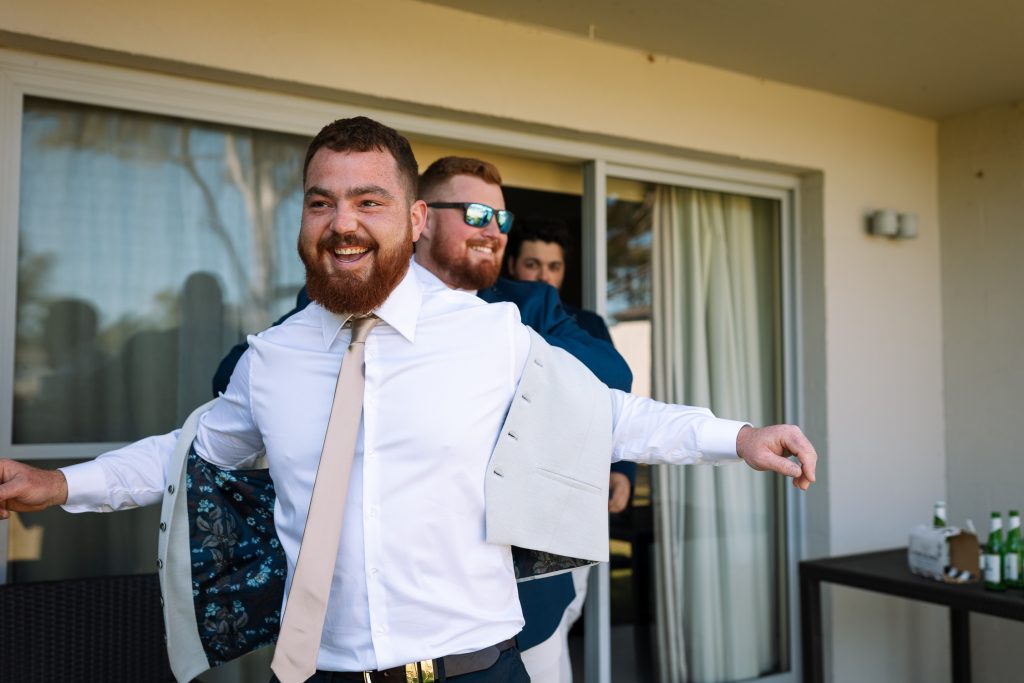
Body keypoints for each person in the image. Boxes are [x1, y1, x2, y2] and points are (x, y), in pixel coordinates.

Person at [0, 116, 817, 683]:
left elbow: (611, 413)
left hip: (476, 667)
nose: (342, 222)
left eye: (369, 201)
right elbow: (189, 451)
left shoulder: (489, 335)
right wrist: (60, 484)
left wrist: (736, 434)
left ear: (415, 219)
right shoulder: (273, 357)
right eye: (323, 201)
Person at [505, 216, 632, 681]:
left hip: (577, 490)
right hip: (518, 495)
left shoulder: (588, 325)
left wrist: (625, 472)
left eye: (553, 267)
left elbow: (619, 406)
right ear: (511, 264)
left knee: (569, 606)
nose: (543, 277)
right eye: (533, 264)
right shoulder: (495, 320)